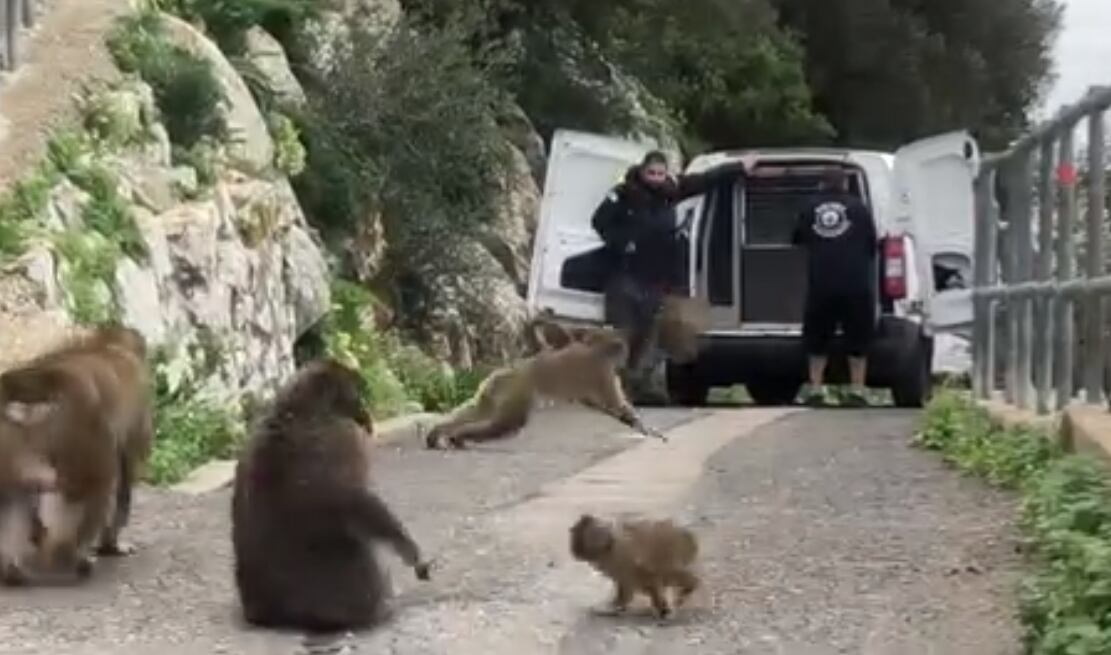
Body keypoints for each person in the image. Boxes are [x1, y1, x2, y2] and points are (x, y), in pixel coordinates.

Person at [591, 150, 750, 402]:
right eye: (651, 173)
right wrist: (623, 243)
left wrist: (739, 168)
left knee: (649, 338)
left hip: (657, 279)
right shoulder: (624, 193)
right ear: (642, 172)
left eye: (660, 173)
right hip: (626, 277)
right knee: (621, 336)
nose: (655, 178)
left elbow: (704, 180)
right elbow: (599, 221)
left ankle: (638, 389)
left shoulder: (671, 192)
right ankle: (608, 389)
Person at [791, 168, 878, 407]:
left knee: (817, 338)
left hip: (822, 283)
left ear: (821, 184)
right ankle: (858, 389)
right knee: (858, 338)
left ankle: (816, 388)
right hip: (856, 283)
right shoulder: (859, 208)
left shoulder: (809, 208)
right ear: (845, 184)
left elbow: (797, 238)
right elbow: (873, 245)